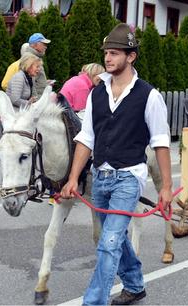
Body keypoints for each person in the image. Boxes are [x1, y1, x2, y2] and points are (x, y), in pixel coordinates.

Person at [60, 23, 172, 306]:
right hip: (101, 177)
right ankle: (134, 284)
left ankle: (93, 302)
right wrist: (73, 178)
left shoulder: (150, 96)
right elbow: (86, 139)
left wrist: (167, 187)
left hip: (128, 177)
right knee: (115, 237)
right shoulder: (96, 94)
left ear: (131, 56)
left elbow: (160, 143)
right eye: (106, 53)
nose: (107, 58)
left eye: (114, 53)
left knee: (108, 243)